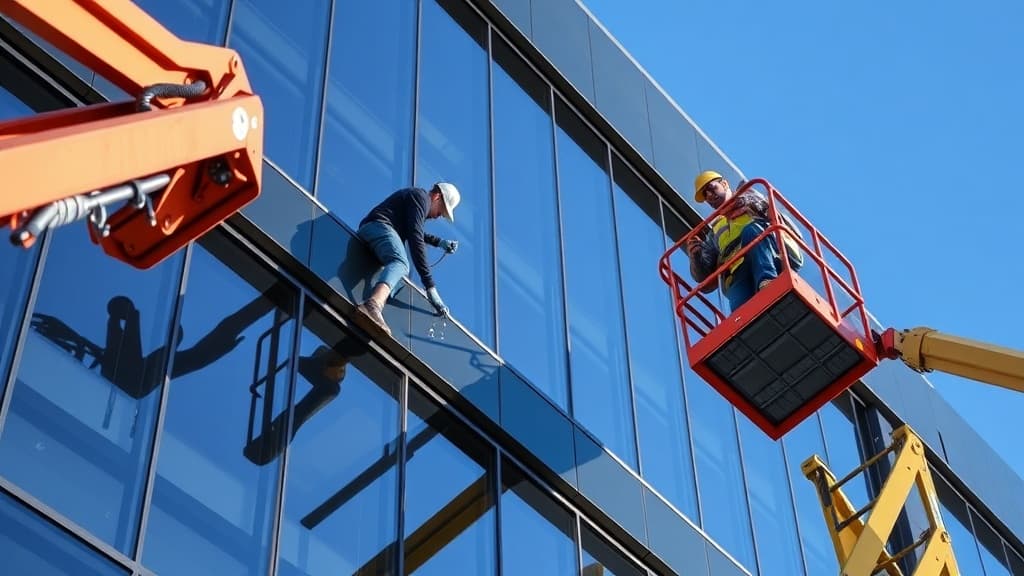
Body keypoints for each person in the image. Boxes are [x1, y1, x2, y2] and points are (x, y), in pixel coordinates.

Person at [686, 171, 803, 312]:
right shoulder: (715, 230)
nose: (709, 196)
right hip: (738, 271)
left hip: (771, 256)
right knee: (741, 312)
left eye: (712, 188)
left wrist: (749, 201)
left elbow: (787, 227)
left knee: (751, 230)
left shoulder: (751, 199)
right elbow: (703, 279)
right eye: (705, 195)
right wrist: (696, 257)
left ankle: (768, 282)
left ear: (724, 184)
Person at [355, 182, 461, 336]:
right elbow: (415, 235)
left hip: (375, 230)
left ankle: (371, 311)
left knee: (397, 282)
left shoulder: (418, 201)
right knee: (401, 264)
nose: (438, 217)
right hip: (377, 227)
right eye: (441, 212)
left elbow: (414, 229)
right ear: (437, 197)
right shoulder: (421, 197)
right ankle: (372, 305)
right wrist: (430, 286)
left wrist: (439, 242)